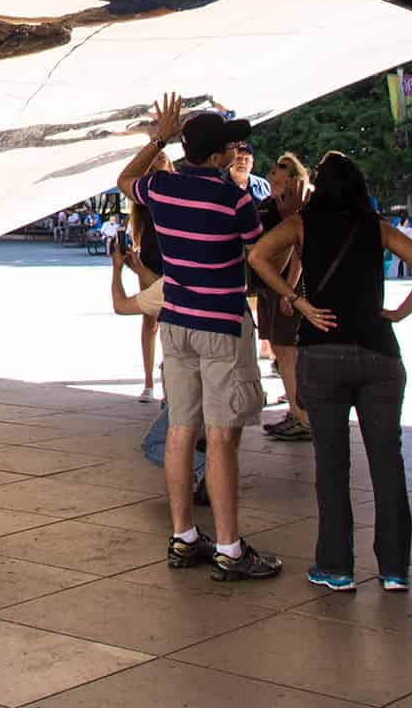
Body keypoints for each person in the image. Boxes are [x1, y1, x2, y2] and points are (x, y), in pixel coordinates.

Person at [247, 152, 412, 592]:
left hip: (322, 352)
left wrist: (296, 301)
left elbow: (258, 257)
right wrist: (397, 313)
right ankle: (394, 569)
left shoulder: (301, 226)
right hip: (379, 353)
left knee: (332, 465)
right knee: (387, 462)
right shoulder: (379, 229)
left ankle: (336, 567)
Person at [117, 95, 280, 581]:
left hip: (177, 322)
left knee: (181, 430)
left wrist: (157, 139)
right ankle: (230, 548)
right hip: (221, 326)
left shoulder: (161, 188)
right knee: (223, 438)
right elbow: (256, 252)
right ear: (217, 156)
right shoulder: (236, 199)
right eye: (232, 146)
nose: (237, 152)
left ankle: (184, 536)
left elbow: (124, 182)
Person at [112, 199, 206, 501]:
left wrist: (116, 270)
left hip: (186, 379)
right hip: (209, 375)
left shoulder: (169, 287)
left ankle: (206, 471)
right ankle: (204, 473)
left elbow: (121, 305)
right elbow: (162, 288)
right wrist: (139, 267)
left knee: (156, 444)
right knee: (187, 426)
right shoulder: (204, 277)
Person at [254, 152, 310, 443]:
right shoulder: (268, 205)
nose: (273, 172)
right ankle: (297, 411)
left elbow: (298, 248)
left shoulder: (298, 208)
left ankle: (302, 416)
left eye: (281, 169)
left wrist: (289, 290)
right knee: (280, 348)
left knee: (288, 350)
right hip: (269, 286)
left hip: (286, 287)